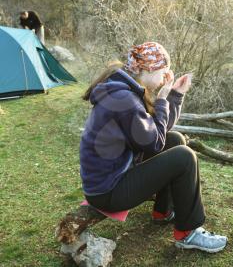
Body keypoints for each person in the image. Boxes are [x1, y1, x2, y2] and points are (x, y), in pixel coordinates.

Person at [80, 41, 227, 253]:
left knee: (175, 140)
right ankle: (188, 233)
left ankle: (162, 212)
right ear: (148, 69)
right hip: (108, 191)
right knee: (184, 157)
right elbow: (155, 142)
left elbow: (157, 135)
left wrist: (174, 95)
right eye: (163, 72)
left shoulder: (124, 90)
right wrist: (164, 97)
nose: (164, 78)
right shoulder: (124, 99)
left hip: (112, 177)